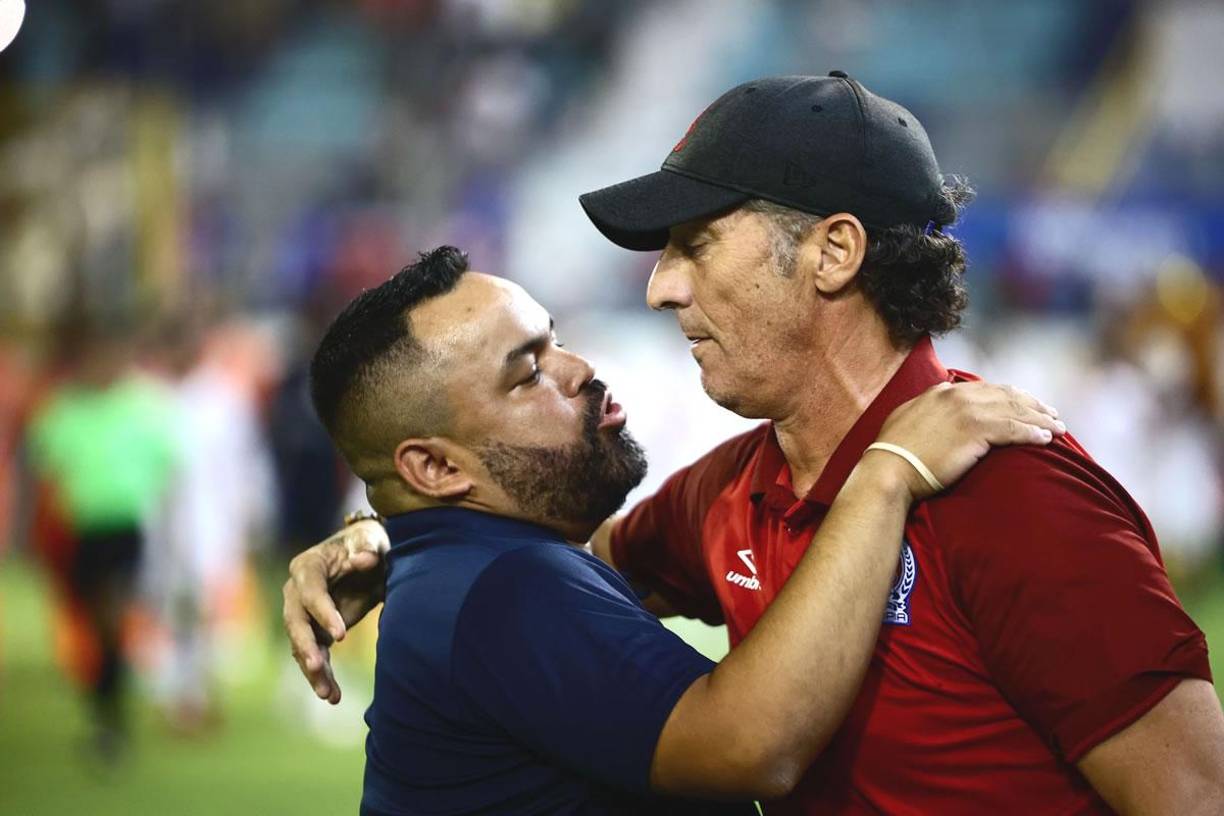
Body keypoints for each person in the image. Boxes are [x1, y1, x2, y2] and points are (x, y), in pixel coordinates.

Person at [287, 74, 1224, 814]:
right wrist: (396, 535)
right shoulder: (736, 491)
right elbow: (557, 578)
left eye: (694, 243)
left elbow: (1193, 797)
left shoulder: (1016, 497)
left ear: (833, 251)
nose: (660, 288)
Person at [294, 244, 1060, 815]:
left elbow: (617, 563)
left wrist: (389, 541)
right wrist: (886, 475)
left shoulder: (467, 572)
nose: (579, 367)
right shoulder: (508, 587)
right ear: (431, 468)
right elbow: (749, 747)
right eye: (527, 374)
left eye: (553, 338)